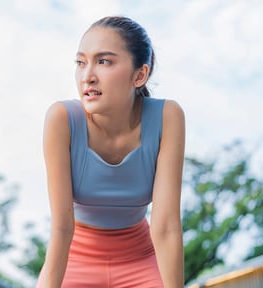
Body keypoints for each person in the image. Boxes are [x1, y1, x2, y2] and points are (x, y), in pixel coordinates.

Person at [37, 16, 185, 288]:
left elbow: (165, 227)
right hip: (74, 258)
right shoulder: (61, 119)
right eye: (81, 62)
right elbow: (61, 228)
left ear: (139, 75)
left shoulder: (168, 116)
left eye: (104, 61)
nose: (87, 76)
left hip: (141, 258)